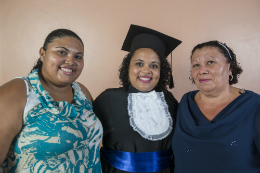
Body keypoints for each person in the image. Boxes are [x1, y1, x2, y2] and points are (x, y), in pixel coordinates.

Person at [0, 29, 103, 172]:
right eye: (62, 52)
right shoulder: (17, 92)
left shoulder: (82, 92)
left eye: (78, 56)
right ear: (42, 53)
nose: (70, 61)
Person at [93, 24, 181, 173]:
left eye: (154, 65)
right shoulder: (107, 99)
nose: (146, 70)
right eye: (139, 63)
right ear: (128, 68)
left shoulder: (169, 101)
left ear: (161, 71)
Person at [172, 40, 260, 172]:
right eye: (196, 65)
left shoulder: (253, 106)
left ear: (230, 68)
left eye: (210, 62)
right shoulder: (184, 103)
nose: (202, 70)